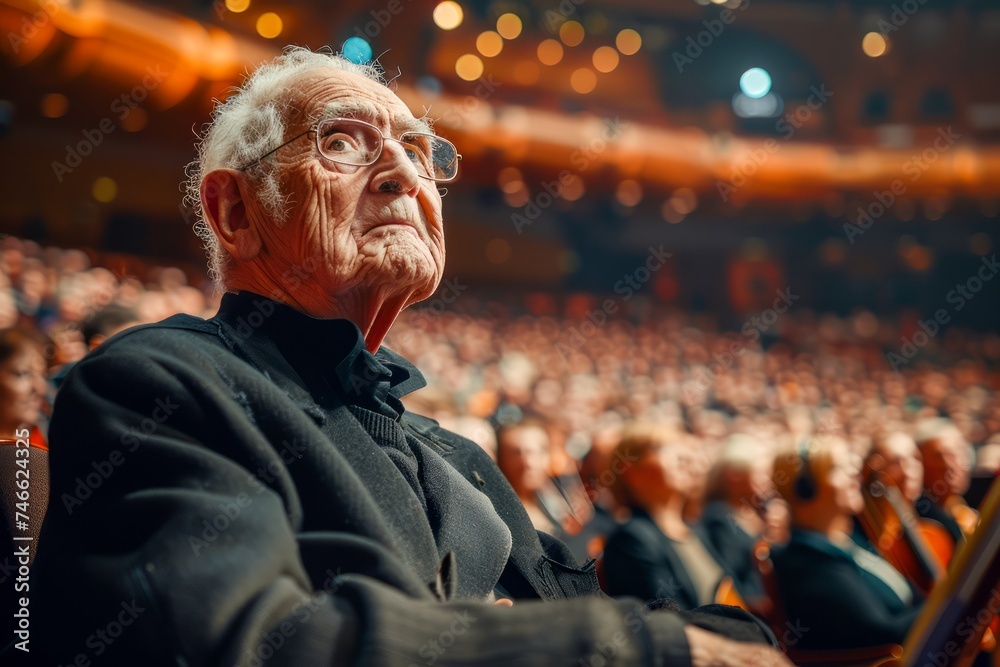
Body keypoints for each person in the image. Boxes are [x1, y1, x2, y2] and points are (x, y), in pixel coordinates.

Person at [31, 47, 791, 666]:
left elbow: (576, 609)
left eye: (420, 152)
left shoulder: (456, 455)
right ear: (235, 211)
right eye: (341, 141)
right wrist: (641, 649)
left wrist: (733, 642)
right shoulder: (153, 385)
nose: (404, 172)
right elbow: (256, 644)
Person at [770, 436, 922, 649]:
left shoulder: (849, 540)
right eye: (840, 468)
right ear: (806, 487)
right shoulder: (806, 557)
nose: (856, 475)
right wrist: (947, 606)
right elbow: (883, 633)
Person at [603, 422, 733, 610]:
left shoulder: (697, 531)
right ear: (631, 472)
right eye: (664, 449)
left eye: (680, 448)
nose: (683, 457)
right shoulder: (629, 540)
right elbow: (669, 620)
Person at [914, 418, 977, 542]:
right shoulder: (920, 520)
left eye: (958, 453)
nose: (951, 466)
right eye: (938, 457)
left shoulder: (965, 511)